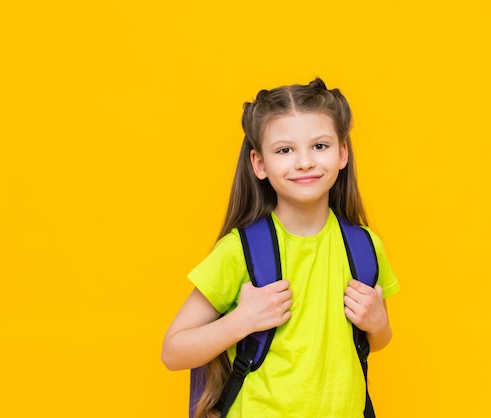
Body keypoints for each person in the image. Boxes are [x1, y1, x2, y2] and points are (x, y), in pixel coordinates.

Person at [161, 78, 400, 418]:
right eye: (285, 150)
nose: (304, 162)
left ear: (342, 152)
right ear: (259, 164)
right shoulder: (240, 250)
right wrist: (242, 321)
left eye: (320, 146)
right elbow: (173, 352)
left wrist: (379, 325)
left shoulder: (363, 246)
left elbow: (376, 339)